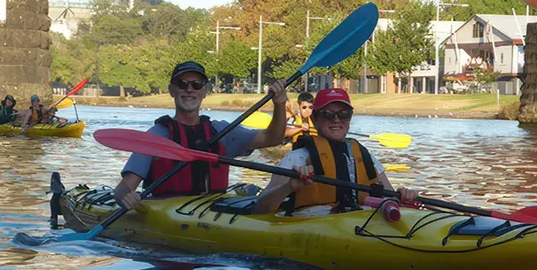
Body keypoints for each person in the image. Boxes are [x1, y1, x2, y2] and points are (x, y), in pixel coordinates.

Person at [114, 60, 288, 209]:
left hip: (213, 211)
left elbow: (273, 138)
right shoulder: (156, 137)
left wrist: (279, 104)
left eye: (196, 85)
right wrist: (126, 197)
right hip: (166, 212)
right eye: (182, 84)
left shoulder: (221, 132)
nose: (189, 89)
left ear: (204, 92)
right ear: (172, 90)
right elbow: (123, 188)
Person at [252, 88, 419, 216]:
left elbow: (389, 196)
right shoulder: (297, 158)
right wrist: (289, 186)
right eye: (327, 114)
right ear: (315, 119)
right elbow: (260, 209)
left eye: (343, 114)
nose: (336, 119)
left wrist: (402, 196)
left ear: (350, 118)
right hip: (311, 227)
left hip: (356, 223)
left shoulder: (364, 154)